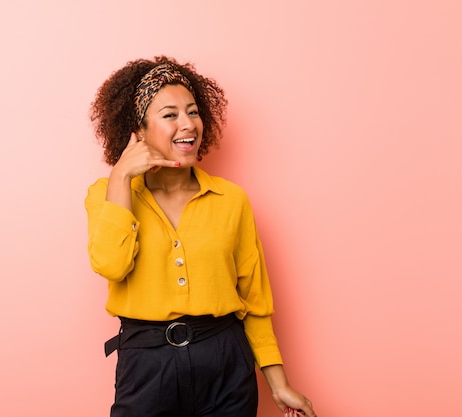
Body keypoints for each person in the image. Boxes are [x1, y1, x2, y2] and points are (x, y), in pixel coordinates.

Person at [85, 56, 317, 417]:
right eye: (170, 114)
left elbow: (253, 299)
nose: (188, 124)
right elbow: (112, 266)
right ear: (138, 130)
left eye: (193, 112)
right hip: (146, 363)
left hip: (225, 359)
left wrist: (278, 383)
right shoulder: (108, 193)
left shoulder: (231, 200)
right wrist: (120, 178)